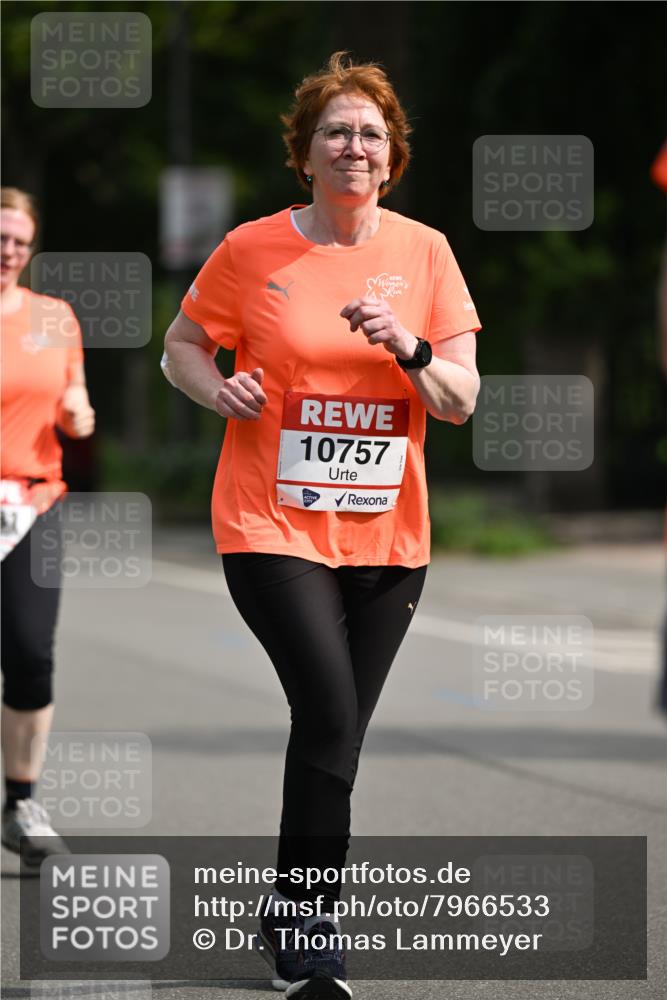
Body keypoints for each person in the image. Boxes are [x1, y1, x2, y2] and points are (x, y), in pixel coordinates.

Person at [162, 52, 481, 998]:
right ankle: (309, 928)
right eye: (336, 133)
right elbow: (181, 345)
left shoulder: (424, 255)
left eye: (371, 135)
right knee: (330, 710)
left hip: (388, 537)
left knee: (333, 737)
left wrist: (410, 347)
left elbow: (459, 400)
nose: (354, 147)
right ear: (304, 155)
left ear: (392, 158)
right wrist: (219, 390)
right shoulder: (252, 250)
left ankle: (288, 907)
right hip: (269, 521)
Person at [1, 187, 95, 865]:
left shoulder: (54, 318)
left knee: (31, 655)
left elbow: (75, 399)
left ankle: (20, 801)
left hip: (31, 506)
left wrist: (78, 416)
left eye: (19, 242)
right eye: (0, 237)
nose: (8, 252)